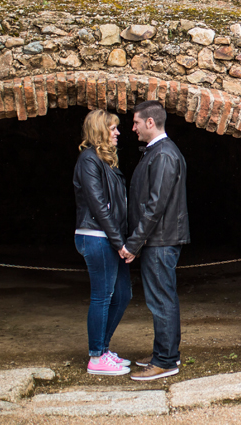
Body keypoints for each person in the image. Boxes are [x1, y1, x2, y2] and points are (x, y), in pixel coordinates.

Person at [120, 100, 190, 381]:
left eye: (136, 122)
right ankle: (166, 352)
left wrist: (133, 243)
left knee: (161, 300)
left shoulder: (163, 154)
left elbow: (155, 205)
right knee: (163, 298)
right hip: (158, 239)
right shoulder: (158, 151)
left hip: (160, 241)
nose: (133, 128)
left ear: (151, 122)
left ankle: (165, 361)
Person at [73, 109, 132, 376]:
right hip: (97, 237)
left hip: (109, 237)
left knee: (123, 294)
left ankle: (103, 349)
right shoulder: (88, 160)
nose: (118, 132)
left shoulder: (104, 161)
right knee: (103, 296)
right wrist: (120, 242)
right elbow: (99, 206)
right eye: (112, 128)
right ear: (99, 130)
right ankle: (96, 357)